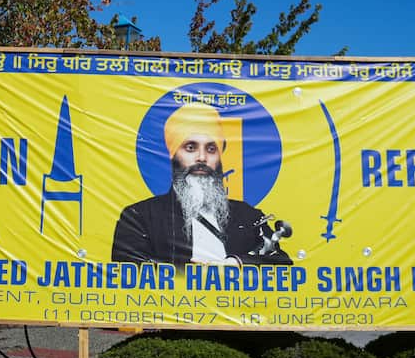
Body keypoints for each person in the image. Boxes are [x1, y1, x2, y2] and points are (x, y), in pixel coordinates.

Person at [111, 103, 292, 266]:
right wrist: (188, 276)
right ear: (173, 154)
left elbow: (281, 262)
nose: (202, 158)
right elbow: (127, 271)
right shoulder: (139, 217)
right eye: (190, 147)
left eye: (211, 149)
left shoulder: (248, 216)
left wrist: (237, 263)